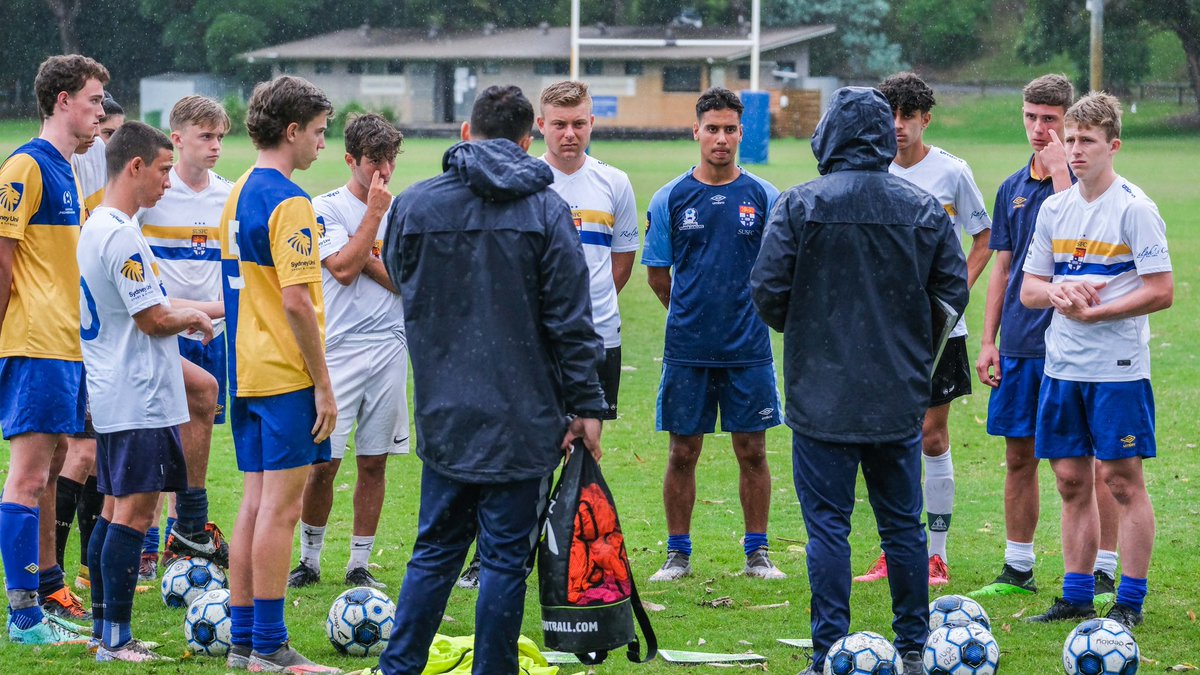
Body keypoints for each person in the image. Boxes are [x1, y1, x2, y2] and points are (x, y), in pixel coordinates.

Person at [360, 84, 606, 675]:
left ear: (466, 133)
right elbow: (572, 320)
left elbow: (398, 274)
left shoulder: (415, 206)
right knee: (502, 560)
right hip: (525, 413)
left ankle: (401, 667)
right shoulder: (547, 210)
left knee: (435, 551)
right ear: (529, 141)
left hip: (447, 407)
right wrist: (586, 405)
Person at [750, 86, 969, 675]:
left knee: (828, 528)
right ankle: (914, 648)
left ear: (830, 135)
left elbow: (769, 291)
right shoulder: (921, 207)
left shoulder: (800, 205)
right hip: (896, 394)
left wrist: (812, 331)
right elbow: (952, 293)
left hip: (821, 395)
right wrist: (908, 344)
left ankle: (829, 651)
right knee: (902, 525)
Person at [451, 79, 639, 591]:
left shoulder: (614, 182)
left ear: (592, 123)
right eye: (559, 124)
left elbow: (620, 264)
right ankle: (493, 556)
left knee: (581, 451)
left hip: (597, 339)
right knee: (518, 450)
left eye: (579, 123)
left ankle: (569, 560)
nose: (570, 134)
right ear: (540, 126)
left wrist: (583, 310)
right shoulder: (528, 182)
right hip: (529, 344)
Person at [1021, 92, 1171, 630]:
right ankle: (1077, 596)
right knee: (1069, 480)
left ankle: (1129, 602)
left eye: (1088, 141)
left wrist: (1099, 311)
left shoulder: (1135, 208)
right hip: (1062, 367)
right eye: (1072, 140)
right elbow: (1031, 289)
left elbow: (1162, 290)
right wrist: (1060, 291)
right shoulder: (1053, 208)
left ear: (1113, 145)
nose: (1077, 150)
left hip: (1118, 371)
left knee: (1122, 480)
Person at [970, 75, 1123, 603]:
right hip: (1020, 342)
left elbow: (1076, 236)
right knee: (1019, 456)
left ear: (1072, 124)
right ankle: (1018, 566)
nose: (1039, 129)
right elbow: (1002, 267)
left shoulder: (1085, 184)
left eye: (1051, 120)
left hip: (1078, 344)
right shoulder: (1012, 188)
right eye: (1031, 117)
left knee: (1089, 460)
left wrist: (1062, 172)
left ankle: (1102, 569)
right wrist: (989, 339)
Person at [77, 120, 213, 663]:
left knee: (113, 511)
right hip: (140, 395)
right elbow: (154, 318)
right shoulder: (121, 235)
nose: (166, 183)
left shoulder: (98, 226)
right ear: (135, 167)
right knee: (132, 515)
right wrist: (193, 317)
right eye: (161, 171)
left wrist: (201, 311)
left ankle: (101, 631)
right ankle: (117, 640)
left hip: (115, 390)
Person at [219, 75, 339, 673]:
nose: (323, 143)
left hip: (244, 370)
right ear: (291, 131)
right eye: (318, 132)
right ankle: (270, 645)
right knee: (281, 511)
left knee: (255, 503)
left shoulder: (238, 189)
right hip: (285, 374)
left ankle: (243, 644)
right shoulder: (290, 201)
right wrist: (322, 381)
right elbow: (295, 301)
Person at [853, 72, 991, 588]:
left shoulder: (951, 172)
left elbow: (984, 237)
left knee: (930, 436)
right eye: (890, 116)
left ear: (924, 119)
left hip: (938, 332)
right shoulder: (868, 170)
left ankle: (935, 555)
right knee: (890, 439)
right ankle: (894, 552)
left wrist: (953, 297)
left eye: (907, 117)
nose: (898, 127)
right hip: (883, 331)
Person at [641, 87, 784, 582]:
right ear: (696, 131)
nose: (721, 139)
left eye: (730, 129)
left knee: (754, 450)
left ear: (742, 132)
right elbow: (658, 275)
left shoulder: (766, 197)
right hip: (688, 349)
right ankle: (677, 554)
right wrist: (691, 314)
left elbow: (778, 273)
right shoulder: (670, 197)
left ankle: (757, 553)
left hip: (749, 349)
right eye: (712, 129)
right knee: (683, 451)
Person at [0, 53, 108, 646]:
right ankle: (22, 619)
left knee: (50, 469)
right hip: (36, 342)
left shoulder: (68, 168)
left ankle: (41, 598)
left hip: (68, 344)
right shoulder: (24, 167)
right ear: (62, 100)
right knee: (27, 476)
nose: (100, 112)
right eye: (93, 100)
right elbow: (2, 261)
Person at [289, 112, 407, 591]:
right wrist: (374, 221)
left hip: (390, 347)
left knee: (374, 461)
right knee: (323, 465)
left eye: (389, 160)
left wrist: (373, 258)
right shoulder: (326, 208)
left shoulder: (404, 210)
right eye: (373, 160)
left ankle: (359, 562)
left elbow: (407, 279)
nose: (382, 171)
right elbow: (341, 267)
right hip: (337, 349)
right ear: (350, 160)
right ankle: (309, 559)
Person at [136, 94, 233, 582]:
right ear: (176, 139)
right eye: (206, 137)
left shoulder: (229, 195)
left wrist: (213, 317)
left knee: (195, 439)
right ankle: (147, 545)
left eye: (220, 137)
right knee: (157, 435)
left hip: (211, 335)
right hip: (163, 332)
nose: (216, 146)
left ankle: (185, 535)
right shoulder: (154, 193)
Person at [54, 93, 127, 603]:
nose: (110, 144)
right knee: (77, 453)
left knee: (97, 454)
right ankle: (49, 578)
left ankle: (84, 569)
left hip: (101, 340)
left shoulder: (112, 189)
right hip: (72, 334)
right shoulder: (66, 169)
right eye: (106, 134)